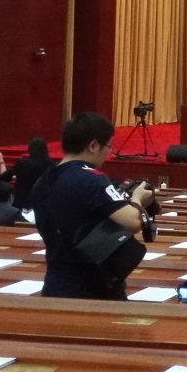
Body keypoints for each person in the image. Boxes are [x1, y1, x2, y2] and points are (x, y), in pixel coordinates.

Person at [35, 112, 155, 300]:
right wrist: (138, 199)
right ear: (93, 145)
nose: (109, 152)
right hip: (94, 288)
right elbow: (133, 221)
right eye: (108, 146)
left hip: (55, 283)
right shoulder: (91, 179)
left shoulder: (42, 182)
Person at [4, 137, 53, 209]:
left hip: (21, 199)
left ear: (29, 149)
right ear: (45, 149)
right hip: (41, 200)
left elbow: (5, 177)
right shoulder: (49, 164)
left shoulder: (22, 163)